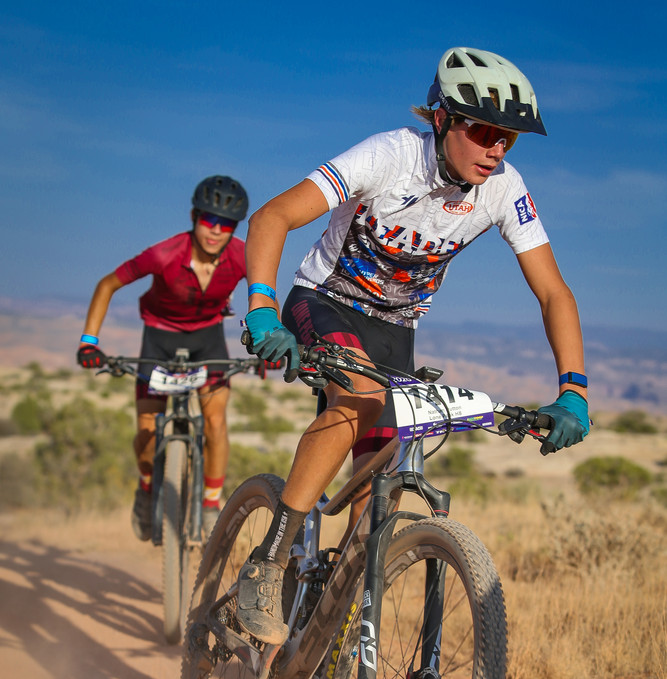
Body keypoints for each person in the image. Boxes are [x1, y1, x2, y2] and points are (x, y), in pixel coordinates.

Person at [237, 46, 590, 645]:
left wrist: (573, 389)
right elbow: (272, 217)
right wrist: (262, 309)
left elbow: (554, 291)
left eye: (508, 138)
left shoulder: (504, 188)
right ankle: (267, 563)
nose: (497, 149)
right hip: (324, 301)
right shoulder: (390, 156)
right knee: (362, 397)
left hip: (396, 330)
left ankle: (322, 645)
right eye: (483, 131)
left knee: (373, 496)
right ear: (442, 119)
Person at [77, 175, 249, 540]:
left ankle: (211, 503)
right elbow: (107, 285)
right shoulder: (163, 254)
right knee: (146, 431)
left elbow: (266, 293)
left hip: (208, 339)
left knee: (216, 422)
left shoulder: (242, 255)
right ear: (194, 217)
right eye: (209, 219)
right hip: (159, 339)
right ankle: (146, 486)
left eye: (227, 224)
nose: (216, 230)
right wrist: (88, 342)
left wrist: (270, 342)